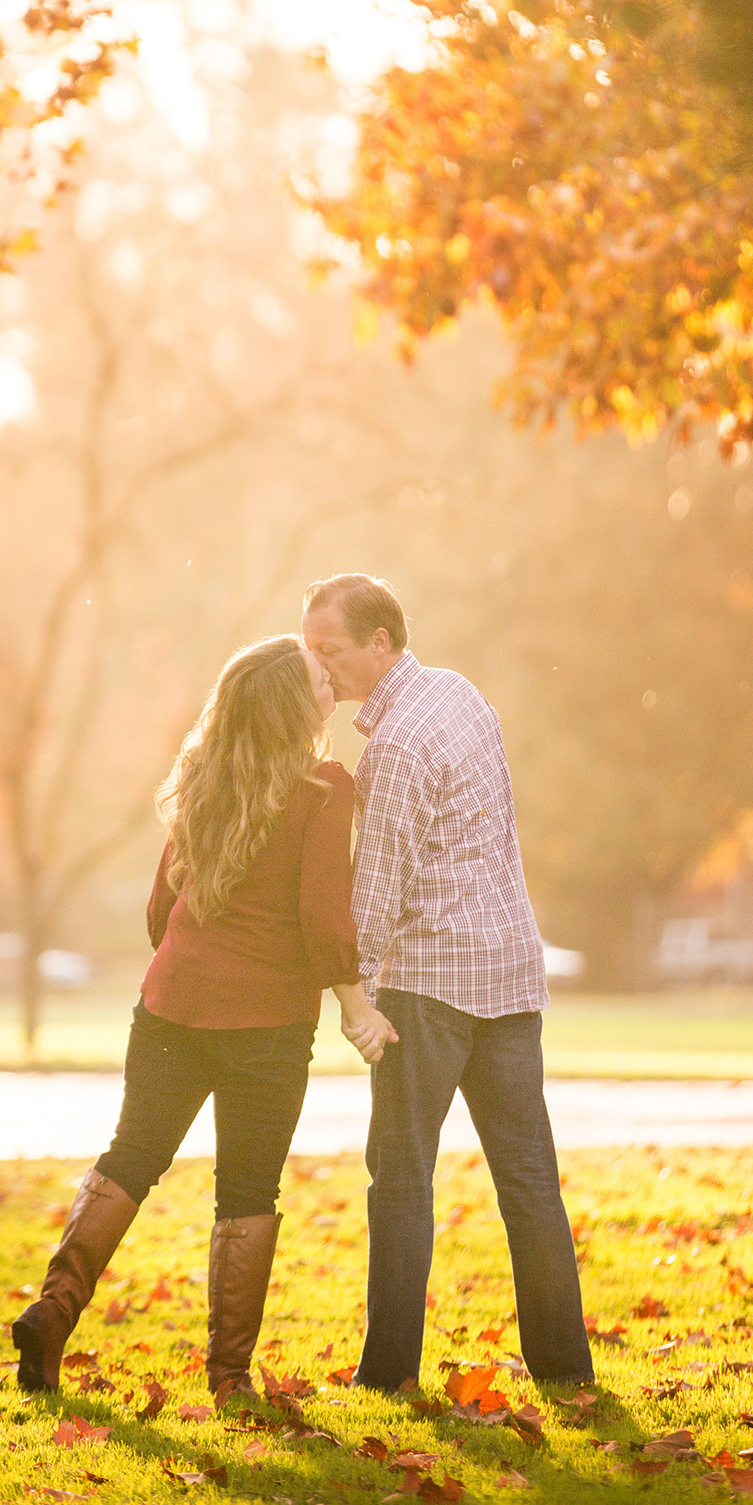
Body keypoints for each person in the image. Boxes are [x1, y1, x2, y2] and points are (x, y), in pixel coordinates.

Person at [11, 634, 396, 1400]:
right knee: (247, 1190)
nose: (331, 685)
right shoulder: (323, 787)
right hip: (265, 1024)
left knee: (130, 1158)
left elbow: (162, 907)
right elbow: (324, 917)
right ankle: (227, 1381)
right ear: (294, 703)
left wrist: (190, 972)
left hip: (170, 1008)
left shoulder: (201, 778)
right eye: (320, 678)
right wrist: (358, 1008)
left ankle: (52, 1313)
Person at [301, 573, 593, 1392]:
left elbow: (377, 893)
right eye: (309, 652)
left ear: (379, 643)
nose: (319, 668)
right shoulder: (459, 695)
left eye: (329, 651)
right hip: (507, 971)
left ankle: (388, 1373)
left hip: (427, 987)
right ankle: (565, 1371)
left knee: (399, 1181)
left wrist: (348, 992)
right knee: (529, 1182)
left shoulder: (390, 748)